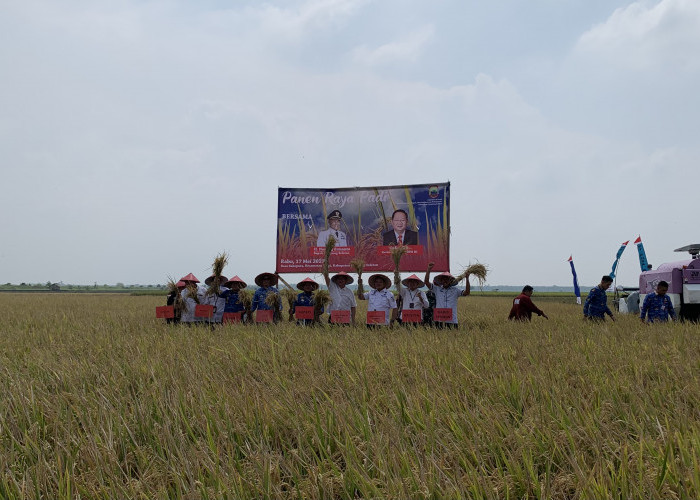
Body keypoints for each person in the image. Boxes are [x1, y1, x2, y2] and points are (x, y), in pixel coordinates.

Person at [424, 262, 469, 329]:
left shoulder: (455, 290)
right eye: (443, 279)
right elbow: (426, 282)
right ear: (441, 281)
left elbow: (466, 293)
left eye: (447, 279)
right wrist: (428, 270)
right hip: (439, 320)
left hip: (452, 320)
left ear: (450, 281)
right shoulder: (437, 289)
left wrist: (467, 279)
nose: (445, 281)